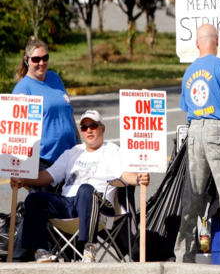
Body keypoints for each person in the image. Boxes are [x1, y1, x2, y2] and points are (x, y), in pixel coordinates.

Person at [10, 110, 149, 263]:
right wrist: (23, 180)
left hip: (99, 206)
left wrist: (139, 178)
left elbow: (124, 174)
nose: (88, 130)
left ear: (102, 129)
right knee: (34, 199)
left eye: (93, 126)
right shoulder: (73, 152)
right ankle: (41, 250)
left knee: (85, 189)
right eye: (84, 127)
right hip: (69, 205)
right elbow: (48, 175)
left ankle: (89, 246)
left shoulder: (111, 151)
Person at [174, 24, 220, 267]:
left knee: (192, 197)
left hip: (194, 132)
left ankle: (183, 257)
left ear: (198, 43)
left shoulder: (189, 72)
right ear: (216, 41)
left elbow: (193, 109)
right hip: (218, 133)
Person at [13, 37, 81, 178]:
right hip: (44, 162)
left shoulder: (54, 77)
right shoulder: (23, 89)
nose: (41, 63)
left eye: (45, 58)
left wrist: (78, 140)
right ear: (27, 60)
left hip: (70, 157)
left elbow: (68, 111)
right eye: (36, 59)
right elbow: (16, 131)